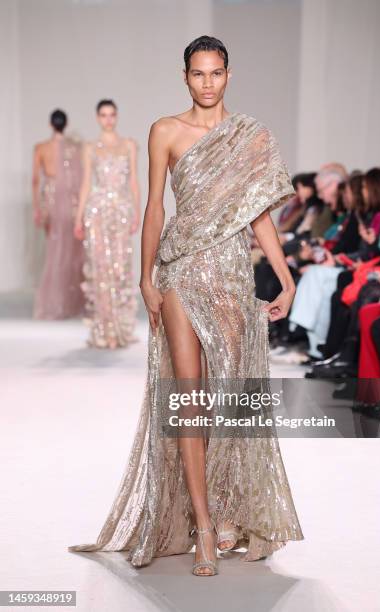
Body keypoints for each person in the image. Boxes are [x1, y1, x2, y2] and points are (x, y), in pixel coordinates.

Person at [69, 36, 304, 576]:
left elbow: (259, 215)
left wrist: (287, 280)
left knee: (232, 396)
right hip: (180, 272)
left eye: (215, 73)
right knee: (190, 397)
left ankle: (229, 510)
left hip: (228, 272)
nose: (207, 82)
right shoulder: (165, 131)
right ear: (185, 77)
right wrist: (146, 277)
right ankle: (201, 524)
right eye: (197, 74)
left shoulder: (249, 137)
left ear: (228, 74)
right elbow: (155, 205)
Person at [74, 99, 141, 349]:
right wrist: (79, 216)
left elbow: (134, 181)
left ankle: (120, 327)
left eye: (112, 114)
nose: (108, 119)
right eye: (103, 115)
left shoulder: (129, 146)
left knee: (120, 267)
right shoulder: (90, 148)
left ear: (117, 116)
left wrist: (136, 212)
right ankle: (105, 329)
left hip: (121, 210)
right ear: (97, 118)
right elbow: (85, 185)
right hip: (98, 211)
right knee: (101, 268)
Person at [32, 109, 84, 319]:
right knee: (71, 251)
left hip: (51, 198)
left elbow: (36, 180)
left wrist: (37, 207)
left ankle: (55, 302)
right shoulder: (74, 148)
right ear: (66, 123)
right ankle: (70, 302)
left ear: (50, 124)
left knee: (55, 250)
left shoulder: (41, 148)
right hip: (70, 201)